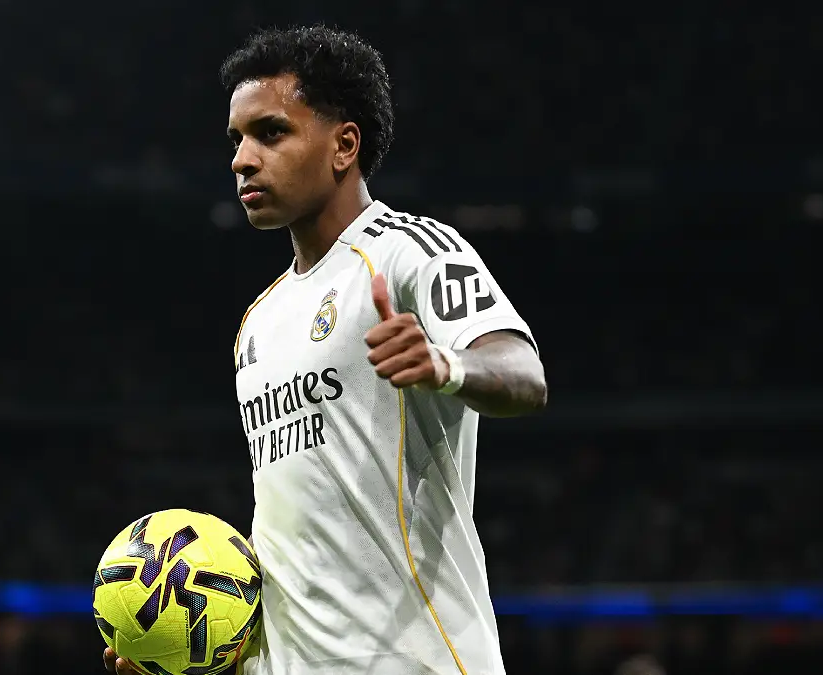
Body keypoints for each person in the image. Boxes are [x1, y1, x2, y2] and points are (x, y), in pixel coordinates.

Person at [106, 25, 547, 675]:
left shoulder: (407, 251)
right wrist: (213, 649)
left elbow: (522, 370)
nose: (242, 158)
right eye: (237, 139)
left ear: (344, 145)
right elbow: (292, 527)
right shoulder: (258, 322)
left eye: (270, 132)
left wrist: (447, 363)